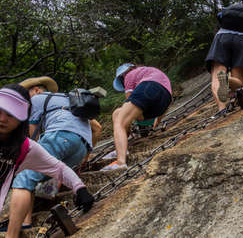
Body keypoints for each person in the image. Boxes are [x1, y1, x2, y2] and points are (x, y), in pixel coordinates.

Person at [0, 84, 94, 238]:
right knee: (41, 176)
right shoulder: (68, 100)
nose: (3, 119)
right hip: (81, 146)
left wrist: (80, 189)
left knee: (25, 178)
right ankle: (40, 205)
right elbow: (96, 127)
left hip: (59, 136)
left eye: (11, 114)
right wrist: (83, 165)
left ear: (36, 89)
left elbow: (32, 132)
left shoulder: (36, 99)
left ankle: (22, 225)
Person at [103, 64, 172, 170]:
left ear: (122, 75)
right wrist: (157, 121)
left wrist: (127, 126)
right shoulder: (150, 70)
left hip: (148, 88)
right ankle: (122, 147)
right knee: (117, 113)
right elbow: (167, 102)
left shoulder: (129, 75)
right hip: (164, 101)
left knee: (119, 121)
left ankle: (121, 163)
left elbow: (129, 100)